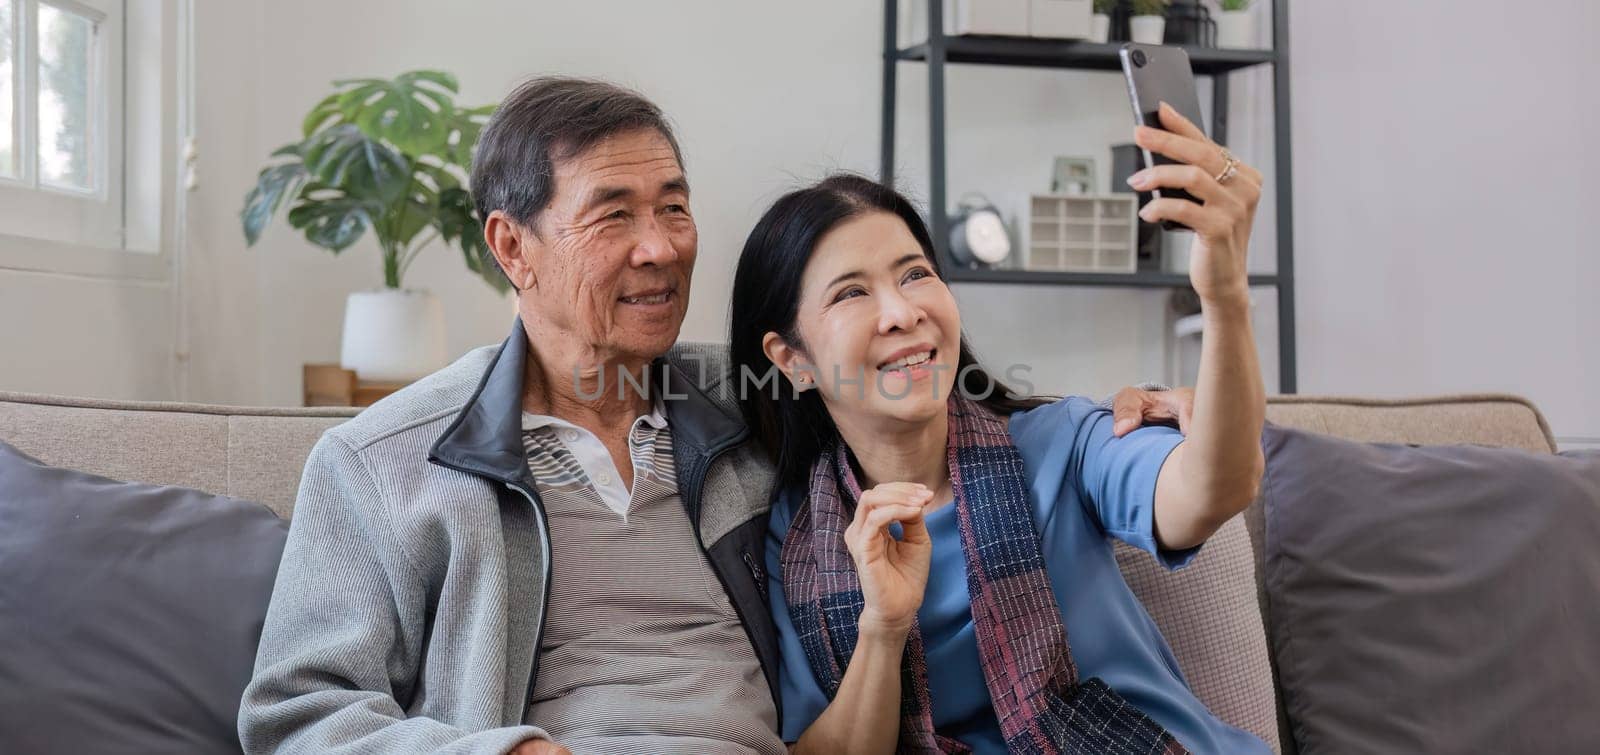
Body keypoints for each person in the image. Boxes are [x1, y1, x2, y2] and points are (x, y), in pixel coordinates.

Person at [237, 76, 1192, 754]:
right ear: (511, 245)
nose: (660, 248)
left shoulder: (754, 403)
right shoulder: (385, 460)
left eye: (676, 207)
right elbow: (296, 712)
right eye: (613, 215)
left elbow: (911, 372)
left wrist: (1110, 405)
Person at [729, 104, 1270, 753]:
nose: (902, 312)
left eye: (916, 274)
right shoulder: (800, 536)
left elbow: (1214, 490)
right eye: (851, 293)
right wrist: (884, 625)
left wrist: (1225, 298)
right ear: (792, 360)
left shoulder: (1061, 443)